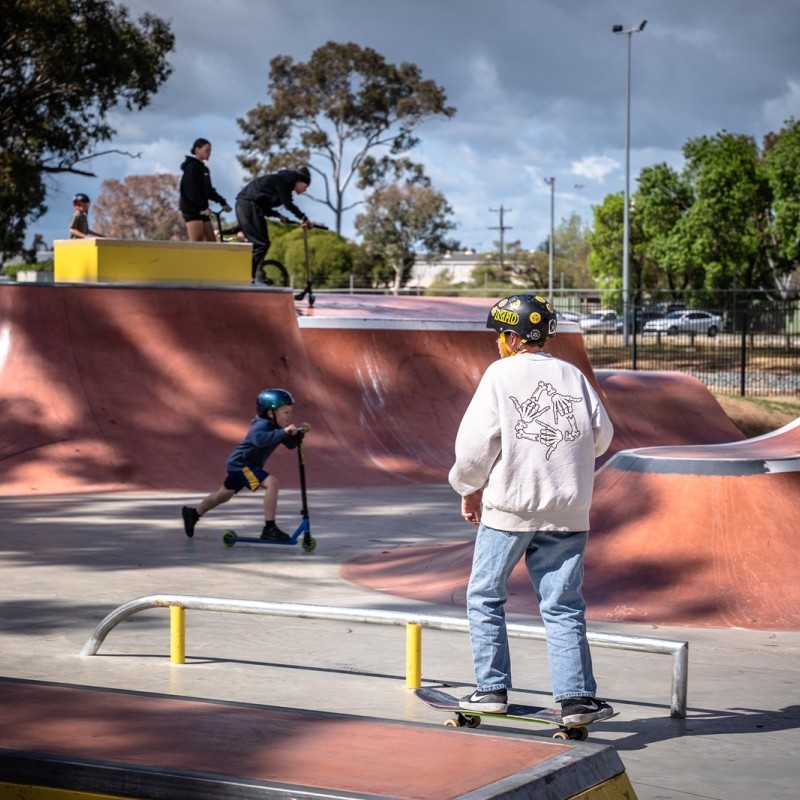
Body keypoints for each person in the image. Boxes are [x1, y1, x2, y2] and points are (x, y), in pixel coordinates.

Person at [448, 293, 615, 727]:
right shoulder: (572, 375)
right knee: (562, 605)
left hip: (509, 510)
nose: (497, 345)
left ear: (510, 337)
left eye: (499, 337)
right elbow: (601, 436)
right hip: (567, 512)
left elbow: (474, 447)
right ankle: (577, 699)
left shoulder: (500, 375)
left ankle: (491, 689)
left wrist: (468, 488)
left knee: (485, 595)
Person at [181, 389, 308, 540]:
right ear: (270, 413)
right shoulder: (261, 426)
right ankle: (269, 528)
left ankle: (193, 513)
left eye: (290, 412)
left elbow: (291, 444)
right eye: (285, 412)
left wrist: (300, 433)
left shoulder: (278, 428)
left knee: (223, 496)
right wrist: (284, 432)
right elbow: (259, 440)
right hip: (241, 465)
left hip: (243, 466)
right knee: (271, 483)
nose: (289, 416)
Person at [235, 166, 313, 284]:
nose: (305, 190)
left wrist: (278, 216)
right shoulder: (284, 182)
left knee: (260, 244)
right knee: (261, 244)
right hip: (248, 206)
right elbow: (288, 204)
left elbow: (263, 204)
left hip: (247, 205)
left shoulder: (282, 182)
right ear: (299, 181)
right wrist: (304, 218)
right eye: (306, 186)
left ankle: (248, 275)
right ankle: (248, 277)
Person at [179, 138, 232, 242]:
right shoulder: (192, 167)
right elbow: (191, 191)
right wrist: (203, 207)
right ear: (197, 150)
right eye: (207, 150)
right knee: (197, 240)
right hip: (192, 209)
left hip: (203, 210)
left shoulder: (204, 169)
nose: (209, 153)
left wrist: (223, 202)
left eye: (210, 151)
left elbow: (209, 191)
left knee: (211, 241)